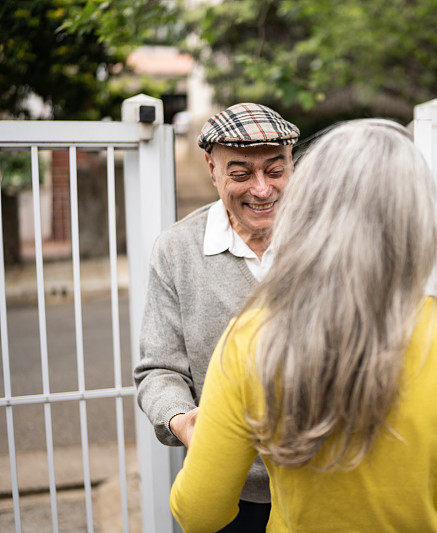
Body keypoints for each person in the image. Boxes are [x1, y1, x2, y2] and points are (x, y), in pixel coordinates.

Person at [168, 119, 437, 532]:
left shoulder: (251, 334)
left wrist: (213, 428)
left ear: (305, 208)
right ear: (416, 219)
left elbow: (198, 513)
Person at [134, 103, 300, 531]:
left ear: (292, 163)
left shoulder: (323, 239)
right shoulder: (177, 251)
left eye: (275, 170)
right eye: (241, 173)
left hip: (322, 481)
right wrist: (181, 420)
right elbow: (158, 370)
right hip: (229, 489)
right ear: (212, 168)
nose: (262, 189)